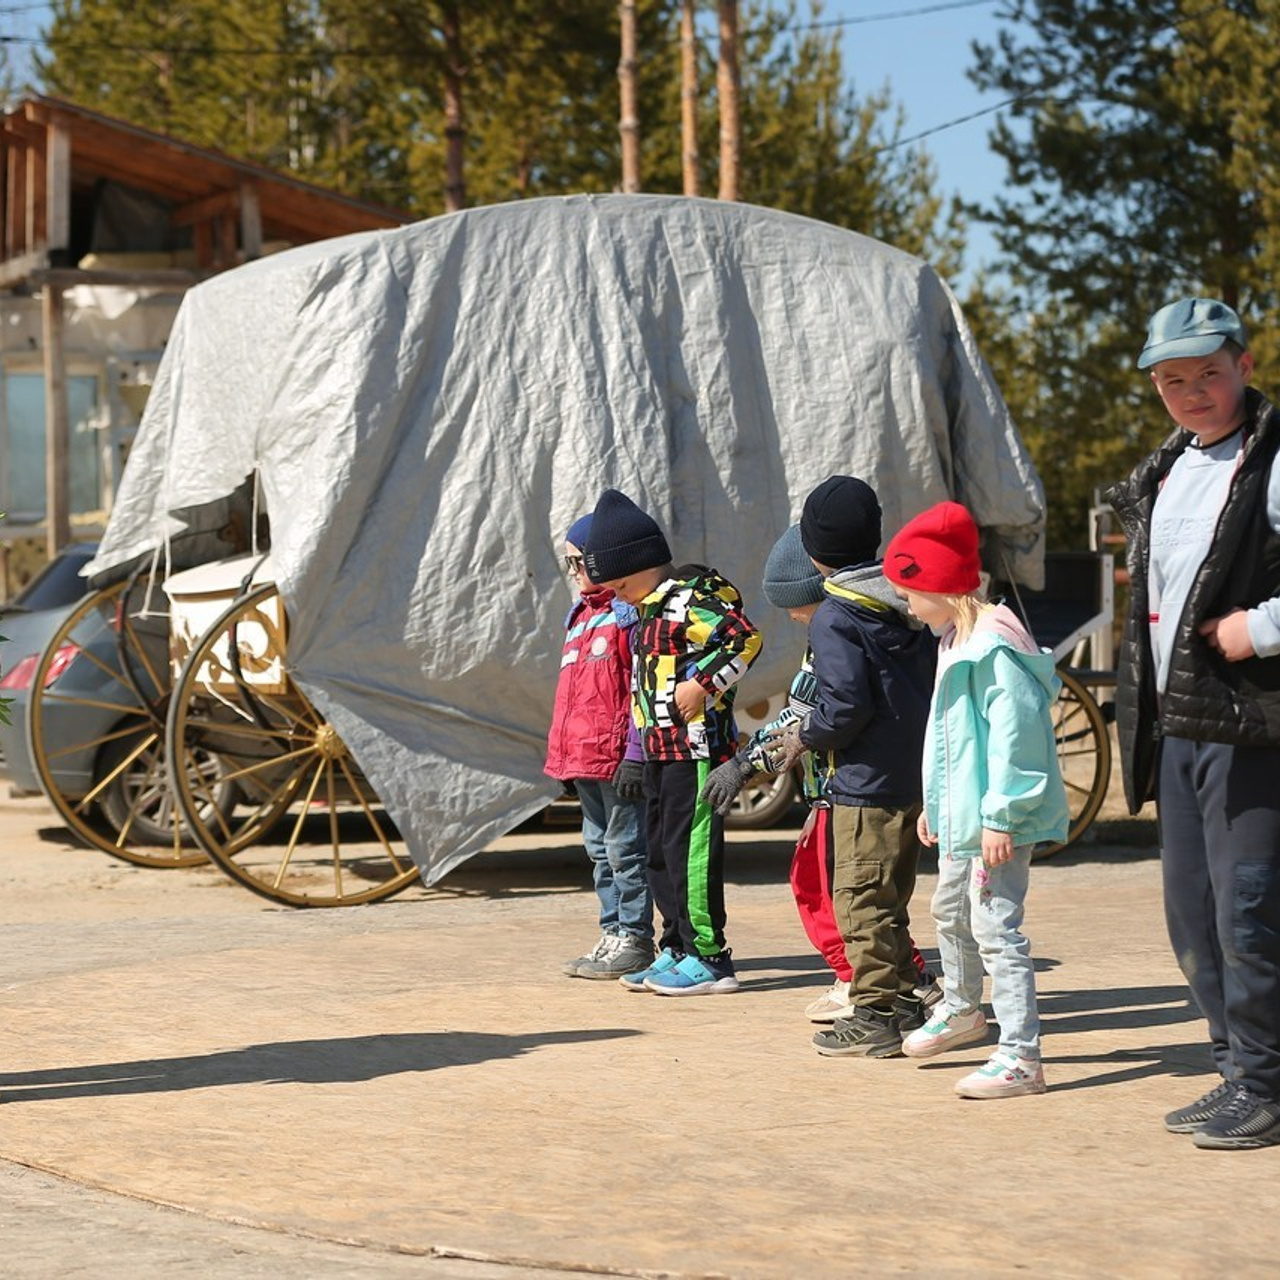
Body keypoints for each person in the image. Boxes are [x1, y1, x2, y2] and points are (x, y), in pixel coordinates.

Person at [1107, 297, 1280, 1149]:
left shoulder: (1273, 459)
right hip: (1181, 721)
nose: (1193, 392)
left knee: (1249, 908)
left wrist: (1262, 629)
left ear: (1244, 366)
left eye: (1209, 372)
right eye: (1173, 379)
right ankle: (1233, 1070)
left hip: (1253, 721)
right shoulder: (1168, 467)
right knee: (1194, 911)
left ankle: (1267, 1083)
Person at [701, 522, 940, 1026]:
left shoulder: (835, 623)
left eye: (794, 604)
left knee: (852, 894)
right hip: (863, 784)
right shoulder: (886, 617)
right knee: (861, 891)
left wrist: (746, 762)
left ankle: (881, 985)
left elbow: (812, 716)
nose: (790, 615)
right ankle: (878, 977)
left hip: (851, 788)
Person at [883, 500, 1067, 1098]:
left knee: (997, 930)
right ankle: (963, 1008)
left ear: (937, 584)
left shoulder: (992, 650)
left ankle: (1020, 1057)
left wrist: (1001, 815)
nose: (906, 604)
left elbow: (1018, 739)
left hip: (996, 823)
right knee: (950, 913)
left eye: (908, 591)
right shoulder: (953, 639)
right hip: (966, 820)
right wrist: (939, 806)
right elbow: (951, 741)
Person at [762, 477, 938, 1058]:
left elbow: (842, 706)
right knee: (888, 897)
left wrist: (802, 737)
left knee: (860, 900)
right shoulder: (906, 601)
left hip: (863, 784)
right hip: (910, 778)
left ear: (813, 555)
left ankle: (874, 1014)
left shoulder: (836, 618)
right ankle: (907, 997)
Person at [582, 488, 761, 996]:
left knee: (692, 851)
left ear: (640, 566)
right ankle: (676, 946)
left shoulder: (687, 602)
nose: (614, 595)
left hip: (697, 751)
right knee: (659, 850)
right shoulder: (645, 611)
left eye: (617, 584)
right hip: (660, 752)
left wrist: (701, 683)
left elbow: (744, 637)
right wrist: (636, 752)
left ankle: (709, 956)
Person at [545, 515, 654, 979]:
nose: (573, 572)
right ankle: (611, 932)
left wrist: (635, 752)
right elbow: (573, 695)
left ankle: (635, 936)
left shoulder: (626, 614)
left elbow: (639, 689)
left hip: (617, 758)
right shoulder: (580, 617)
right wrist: (566, 757)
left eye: (577, 562)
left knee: (625, 849)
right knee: (597, 848)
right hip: (585, 758)